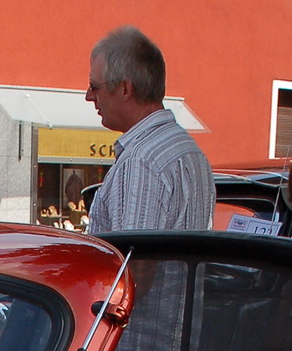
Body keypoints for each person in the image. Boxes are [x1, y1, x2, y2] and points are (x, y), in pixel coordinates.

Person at [83, 26, 212, 233]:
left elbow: (134, 262)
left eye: (94, 87)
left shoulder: (140, 161)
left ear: (125, 89)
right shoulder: (191, 150)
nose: (89, 96)